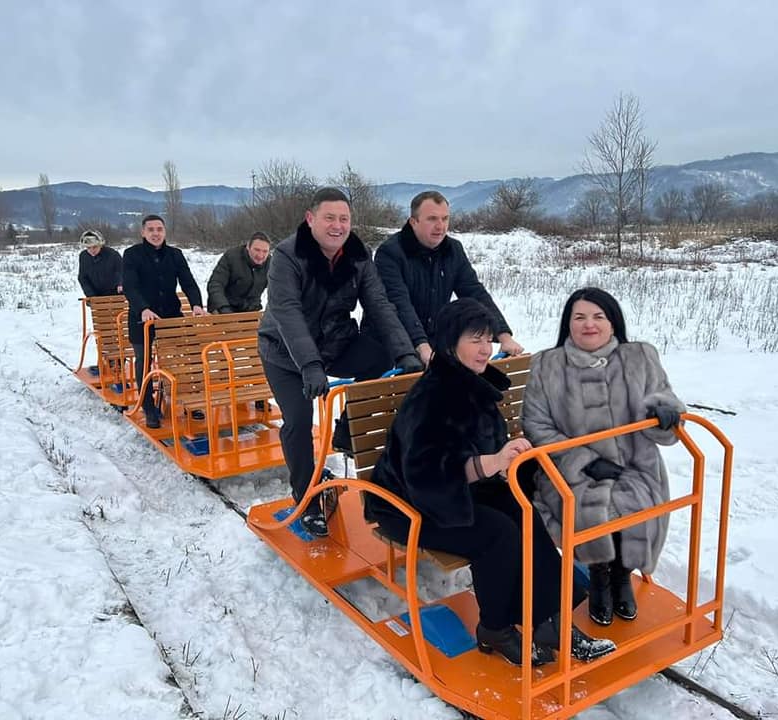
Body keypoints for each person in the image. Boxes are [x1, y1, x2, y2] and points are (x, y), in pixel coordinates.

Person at [365, 298, 615, 666]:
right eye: (475, 340)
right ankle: (494, 629)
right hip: (409, 504)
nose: (486, 349)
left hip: (459, 491)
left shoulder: (472, 383)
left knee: (523, 514)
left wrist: (516, 461)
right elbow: (428, 475)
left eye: (488, 340)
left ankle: (550, 619)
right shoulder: (433, 397)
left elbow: (486, 452)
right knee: (498, 533)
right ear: (451, 343)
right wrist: (492, 463)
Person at [258, 187, 422, 537]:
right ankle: (306, 497)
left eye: (343, 219)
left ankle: (348, 428)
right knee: (300, 421)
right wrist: (309, 365)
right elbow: (287, 312)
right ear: (311, 219)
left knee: (377, 357)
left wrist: (405, 352)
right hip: (286, 353)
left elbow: (379, 305)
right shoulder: (287, 256)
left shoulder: (359, 256)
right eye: (329, 218)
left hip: (336, 343)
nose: (337, 226)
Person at [522, 287, 685, 626]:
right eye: (579, 317)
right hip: (569, 469)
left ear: (613, 323)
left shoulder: (639, 357)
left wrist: (665, 413)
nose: (589, 325)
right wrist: (583, 461)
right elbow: (537, 425)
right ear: (568, 324)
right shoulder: (547, 365)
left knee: (636, 498)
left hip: (634, 464)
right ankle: (598, 573)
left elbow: (662, 398)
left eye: (599, 316)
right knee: (587, 504)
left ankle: (622, 574)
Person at [368, 191, 523, 368]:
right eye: (432, 219)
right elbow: (399, 303)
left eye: (445, 219)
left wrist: (503, 335)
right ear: (414, 222)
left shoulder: (453, 250)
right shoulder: (390, 253)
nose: (440, 226)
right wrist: (422, 346)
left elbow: (475, 293)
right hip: (389, 343)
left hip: (433, 338)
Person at [122, 214, 205, 429]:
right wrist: (143, 308)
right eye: (151, 229)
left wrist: (196, 303)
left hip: (171, 315)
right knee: (144, 361)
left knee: (183, 359)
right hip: (142, 319)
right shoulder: (132, 255)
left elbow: (188, 281)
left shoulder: (175, 255)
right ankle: (149, 407)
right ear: (143, 232)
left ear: (165, 231)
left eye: (159, 229)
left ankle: (189, 402)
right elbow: (130, 287)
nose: (156, 233)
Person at [206, 231, 272, 314]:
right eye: (257, 250)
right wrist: (223, 307)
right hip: (224, 306)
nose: (260, 255)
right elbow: (215, 284)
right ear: (248, 247)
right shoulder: (231, 257)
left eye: (265, 251)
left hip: (250, 308)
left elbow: (280, 289)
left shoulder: (271, 264)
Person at [77, 229, 122, 297]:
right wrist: (90, 294)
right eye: (88, 248)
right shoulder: (84, 257)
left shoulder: (112, 254)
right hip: (96, 295)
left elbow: (122, 270)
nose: (92, 250)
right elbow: (83, 277)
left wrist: (120, 283)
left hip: (115, 294)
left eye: (95, 247)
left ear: (100, 245)